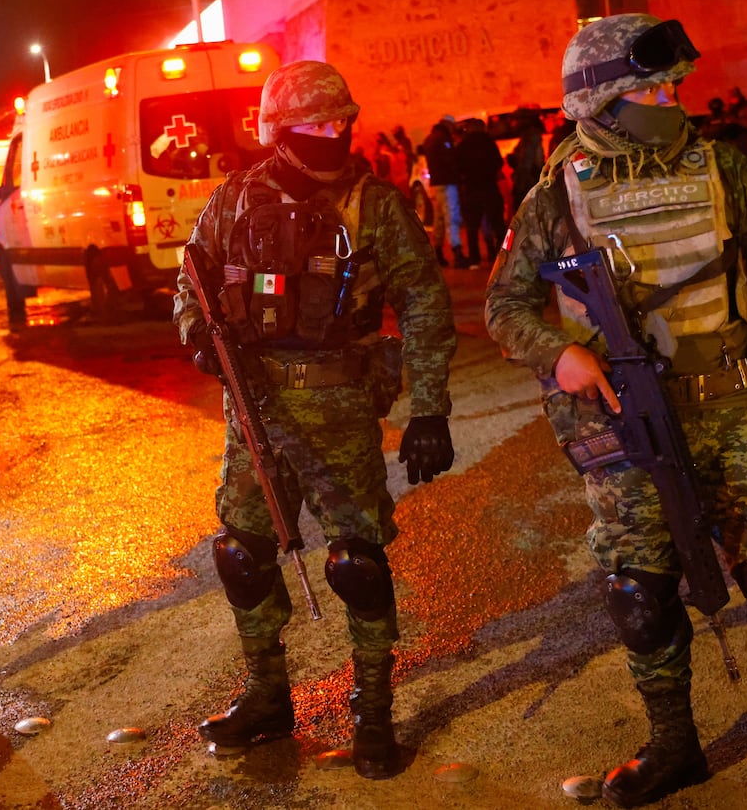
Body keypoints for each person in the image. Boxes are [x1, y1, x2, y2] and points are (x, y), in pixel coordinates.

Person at [485, 14, 747, 809]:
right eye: (651, 88)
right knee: (639, 591)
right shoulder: (558, 191)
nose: (670, 99)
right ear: (599, 101)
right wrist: (559, 352)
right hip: (623, 424)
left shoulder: (724, 170)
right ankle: (675, 747)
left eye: (671, 85)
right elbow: (504, 304)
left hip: (732, 406)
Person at [174, 61, 457, 780]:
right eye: (315, 124)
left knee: (355, 563)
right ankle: (268, 697)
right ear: (277, 129)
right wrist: (199, 336)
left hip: (340, 405)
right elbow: (193, 277)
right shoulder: (235, 198)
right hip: (256, 408)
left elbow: (423, 301)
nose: (333, 134)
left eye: (341, 122)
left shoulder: (374, 204)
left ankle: (373, 713)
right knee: (241, 552)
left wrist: (429, 407)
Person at [454, 117, 506, 268]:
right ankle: (502, 256)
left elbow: (457, 166)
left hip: (471, 188)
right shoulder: (489, 143)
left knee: (472, 226)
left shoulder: (463, 145)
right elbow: (498, 162)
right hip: (489, 186)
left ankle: (474, 259)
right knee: (497, 223)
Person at [422, 116, 464, 266]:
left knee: (438, 219)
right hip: (447, 183)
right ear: (447, 124)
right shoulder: (443, 139)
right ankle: (457, 252)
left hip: (435, 184)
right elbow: (451, 160)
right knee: (452, 216)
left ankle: (438, 252)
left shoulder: (430, 139)